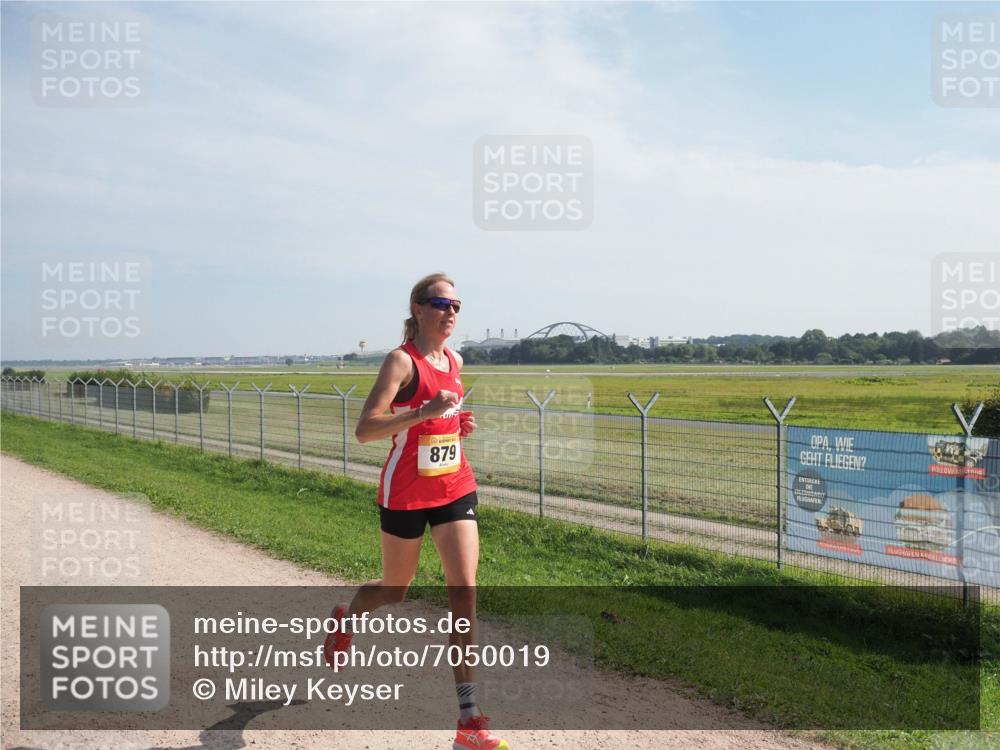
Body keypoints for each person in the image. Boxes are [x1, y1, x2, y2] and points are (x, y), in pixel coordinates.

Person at [324, 272, 509, 750]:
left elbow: (441, 419)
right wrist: (427, 412)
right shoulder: (399, 362)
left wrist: (454, 421)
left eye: (457, 305)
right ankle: (346, 618)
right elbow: (366, 429)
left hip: (454, 487)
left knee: (464, 590)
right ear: (419, 309)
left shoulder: (455, 360)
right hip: (405, 492)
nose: (451, 312)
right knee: (394, 590)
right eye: (441, 303)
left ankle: (468, 720)